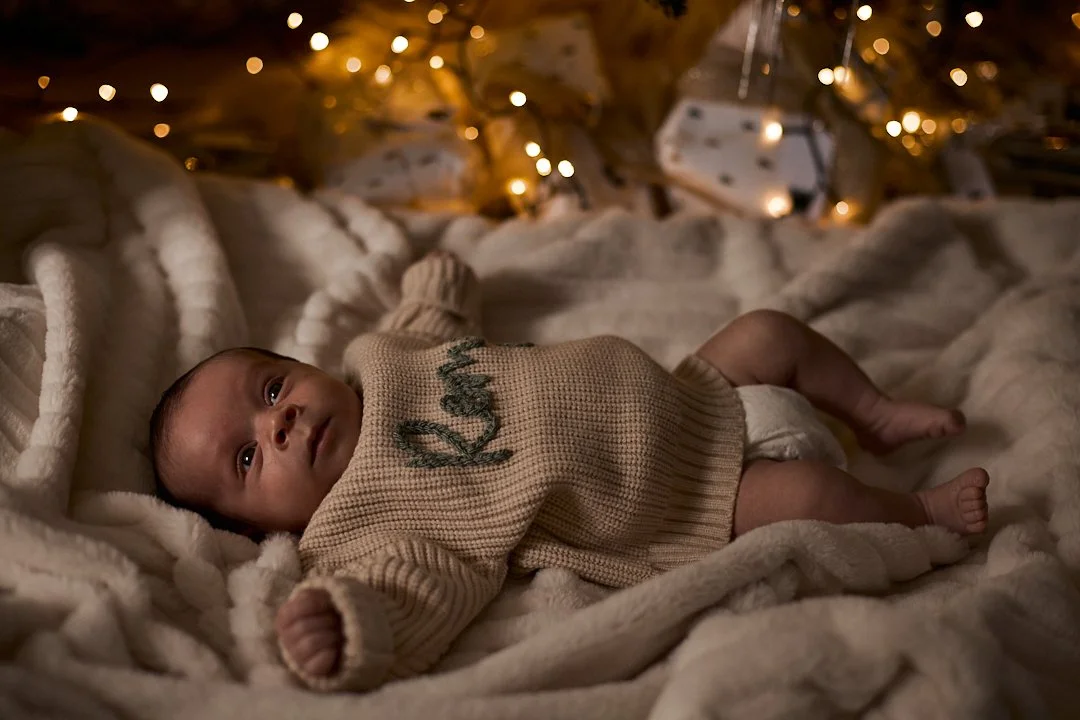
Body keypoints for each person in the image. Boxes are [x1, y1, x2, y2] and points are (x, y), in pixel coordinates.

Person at [148, 250, 989, 692]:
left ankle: (876, 414)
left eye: (270, 387)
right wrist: (347, 621)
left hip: (690, 387)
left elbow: (429, 317)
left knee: (770, 328)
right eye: (249, 456)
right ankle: (920, 513)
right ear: (266, 530)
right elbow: (419, 586)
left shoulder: (380, 358)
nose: (281, 419)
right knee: (812, 498)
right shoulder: (362, 525)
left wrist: (439, 280)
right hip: (687, 499)